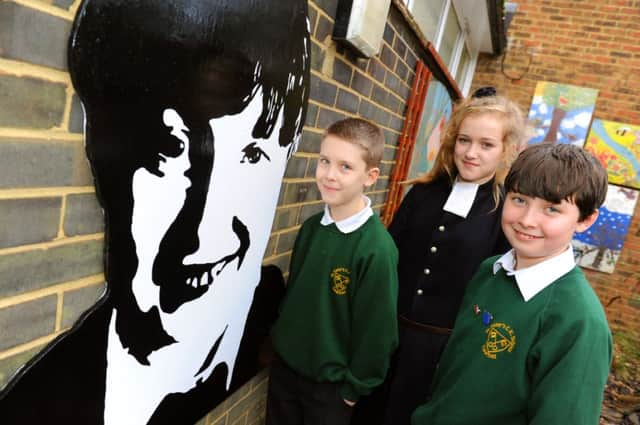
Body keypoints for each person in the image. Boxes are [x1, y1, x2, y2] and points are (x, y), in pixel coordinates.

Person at [0, 0, 309, 424]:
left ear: (289, 152)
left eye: (252, 155)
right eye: (171, 150)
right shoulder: (35, 407)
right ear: (101, 155)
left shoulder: (278, 319)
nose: (203, 232)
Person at [411, 143, 612, 425]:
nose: (527, 220)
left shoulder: (579, 321)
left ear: (586, 219)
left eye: (552, 210)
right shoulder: (489, 271)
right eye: (519, 200)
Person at [377, 90, 527, 425]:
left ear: (506, 150)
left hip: (443, 354)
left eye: (486, 144)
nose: (471, 153)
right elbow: (387, 259)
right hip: (386, 336)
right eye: (464, 141)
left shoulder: (504, 212)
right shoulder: (423, 193)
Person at [265, 118, 399, 425]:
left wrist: (354, 388)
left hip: (330, 389)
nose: (329, 175)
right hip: (286, 373)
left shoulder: (376, 248)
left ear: (371, 176)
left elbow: (377, 332)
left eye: (345, 167)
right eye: (325, 161)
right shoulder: (312, 228)